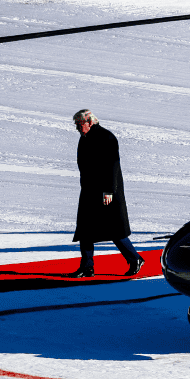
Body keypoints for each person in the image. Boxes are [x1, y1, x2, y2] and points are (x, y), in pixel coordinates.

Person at [68, 109, 144, 278]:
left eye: (79, 124)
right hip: (89, 191)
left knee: (114, 230)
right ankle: (87, 267)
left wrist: (108, 191)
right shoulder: (85, 138)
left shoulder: (106, 137)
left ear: (90, 121)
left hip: (107, 193)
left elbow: (112, 167)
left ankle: (135, 259)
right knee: (85, 229)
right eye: (76, 125)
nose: (77, 128)